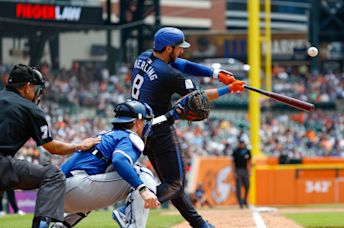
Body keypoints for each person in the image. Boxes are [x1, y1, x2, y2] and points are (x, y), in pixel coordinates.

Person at [130, 26, 245, 228]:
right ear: (168, 49)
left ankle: (200, 224)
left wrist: (215, 73)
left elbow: (181, 63)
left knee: (172, 184)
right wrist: (229, 89)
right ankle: (131, 208)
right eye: (178, 47)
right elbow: (197, 98)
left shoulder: (145, 56)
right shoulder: (169, 74)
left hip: (141, 128)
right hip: (160, 130)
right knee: (175, 184)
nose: (181, 51)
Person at [0, 64, 99, 228]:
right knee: (53, 175)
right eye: (36, 88)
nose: (38, 93)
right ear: (27, 87)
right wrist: (78, 146)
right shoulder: (30, 109)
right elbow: (52, 148)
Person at [57, 100, 160, 228]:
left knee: (105, 172)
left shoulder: (105, 135)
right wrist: (143, 189)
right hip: (77, 188)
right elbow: (119, 160)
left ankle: (62, 225)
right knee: (142, 174)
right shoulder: (129, 137)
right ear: (137, 122)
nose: (146, 124)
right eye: (145, 121)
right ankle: (133, 224)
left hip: (58, 194)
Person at [232, 140, 251, 209]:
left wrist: (249, 171)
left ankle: (245, 200)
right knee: (238, 188)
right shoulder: (235, 151)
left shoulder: (247, 151)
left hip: (245, 170)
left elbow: (249, 162)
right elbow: (233, 163)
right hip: (238, 170)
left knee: (247, 185)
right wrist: (234, 172)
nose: (242, 144)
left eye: (243, 143)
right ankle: (240, 203)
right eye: (241, 143)